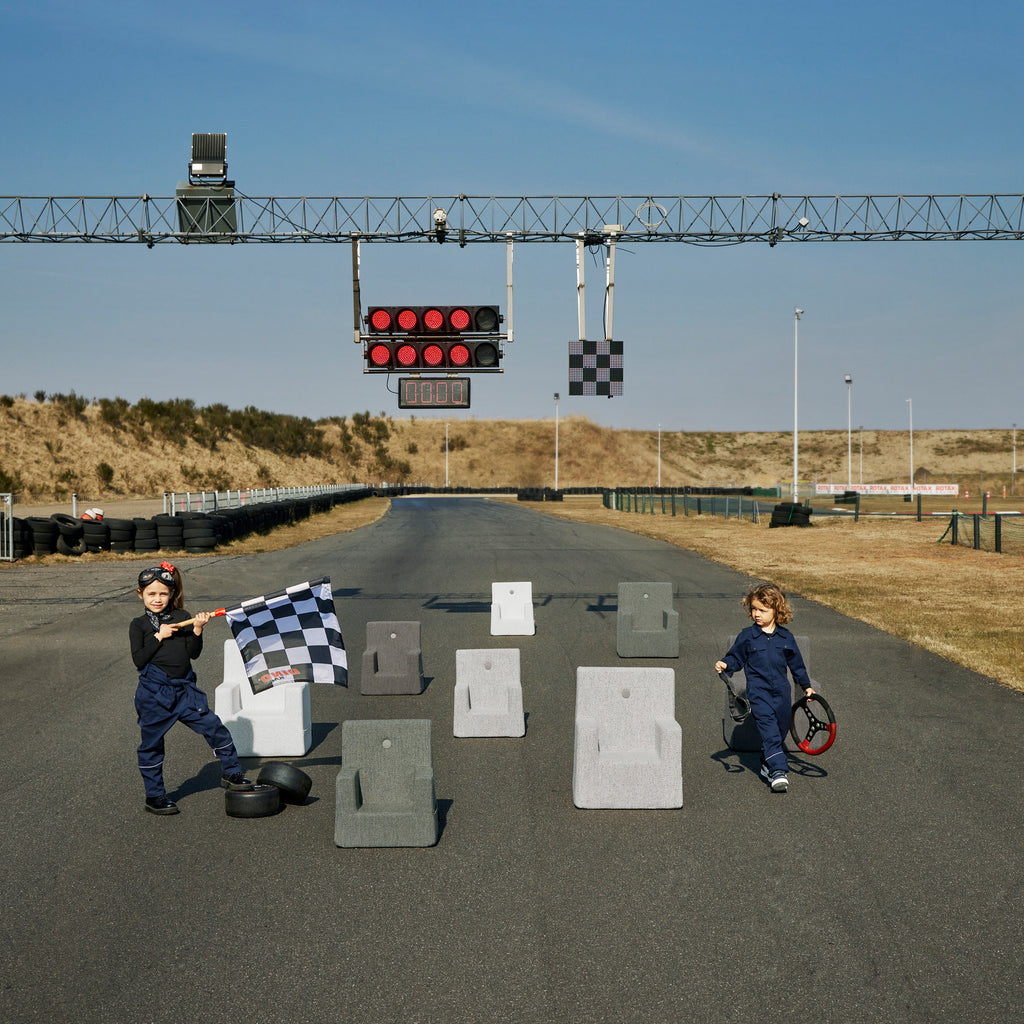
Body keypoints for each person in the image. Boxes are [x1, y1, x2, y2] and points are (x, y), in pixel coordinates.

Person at [130, 562, 252, 815]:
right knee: (152, 746)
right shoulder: (139, 625)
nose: (157, 599)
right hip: (155, 694)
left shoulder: (182, 618)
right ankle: (154, 796)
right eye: (151, 594)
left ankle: (232, 774)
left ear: (172, 594)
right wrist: (158, 636)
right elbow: (139, 660)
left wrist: (197, 629)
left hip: (185, 691)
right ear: (140, 594)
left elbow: (192, 654)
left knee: (216, 728)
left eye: (163, 593)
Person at [714, 582, 815, 793]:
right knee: (769, 731)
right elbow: (736, 657)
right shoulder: (747, 636)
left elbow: (797, 666)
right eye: (753, 609)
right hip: (759, 693)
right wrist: (726, 663)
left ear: (776, 610)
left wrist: (806, 686)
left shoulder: (786, 637)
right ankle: (779, 771)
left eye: (762, 609)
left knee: (780, 729)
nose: (756, 614)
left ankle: (767, 762)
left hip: (781, 692)